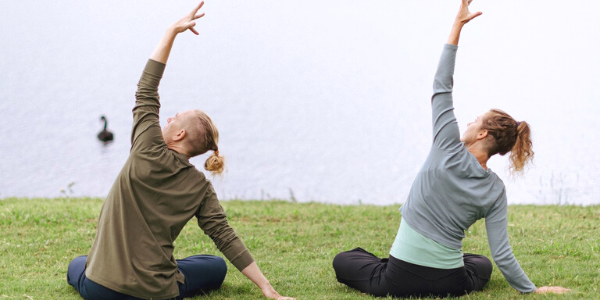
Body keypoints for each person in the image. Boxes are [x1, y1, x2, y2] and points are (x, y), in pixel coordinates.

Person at [332, 0, 571, 298]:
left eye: (475, 120)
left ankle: (392, 263)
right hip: (452, 284)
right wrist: (532, 290)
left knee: (344, 260)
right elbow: (501, 253)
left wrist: (457, 25)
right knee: (481, 264)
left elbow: (441, 84)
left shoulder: (447, 145)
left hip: (398, 280)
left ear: (482, 132)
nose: (468, 122)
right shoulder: (495, 190)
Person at [67, 3, 294, 300]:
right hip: (157, 292)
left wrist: (171, 31)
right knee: (214, 265)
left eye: (174, 117)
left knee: (77, 264)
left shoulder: (146, 148)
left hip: (101, 289)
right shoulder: (200, 187)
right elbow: (225, 237)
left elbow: (146, 89)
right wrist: (268, 290)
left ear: (179, 133)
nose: (169, 118)